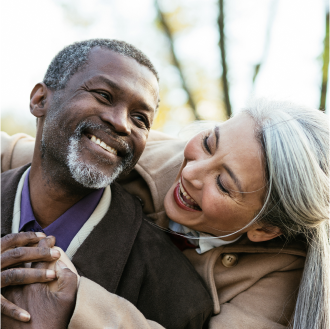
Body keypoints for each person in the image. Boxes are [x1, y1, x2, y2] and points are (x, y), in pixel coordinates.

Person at [1, 99, 329, 329]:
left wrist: (76, 302)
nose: (191, 173)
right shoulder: (147, 154)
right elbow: (20, 154)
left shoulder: (283, 278)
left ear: (265, 230)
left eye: (223, 184)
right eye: (210, 143)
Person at [0, 39, 214, 328]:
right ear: (40, 100)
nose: (123, 124)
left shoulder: (176, 292)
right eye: (103, 95)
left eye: (140, 118)